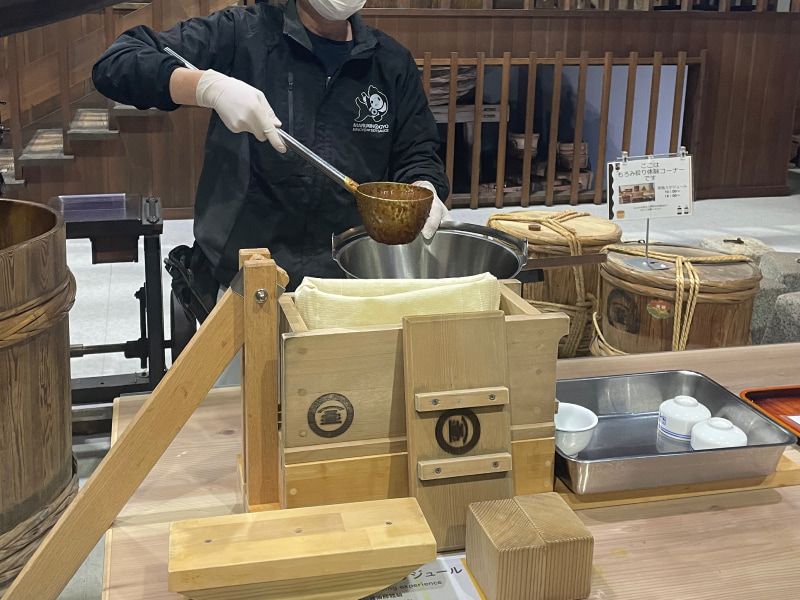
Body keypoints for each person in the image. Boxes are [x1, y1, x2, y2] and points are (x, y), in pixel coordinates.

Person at [92, 0, 450, 295]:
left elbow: (417, 153)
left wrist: (425, 188)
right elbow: (116, 63)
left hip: (349, 279)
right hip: (244, 277)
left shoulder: (390, 62)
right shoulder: (242, 33)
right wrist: (205, 87)